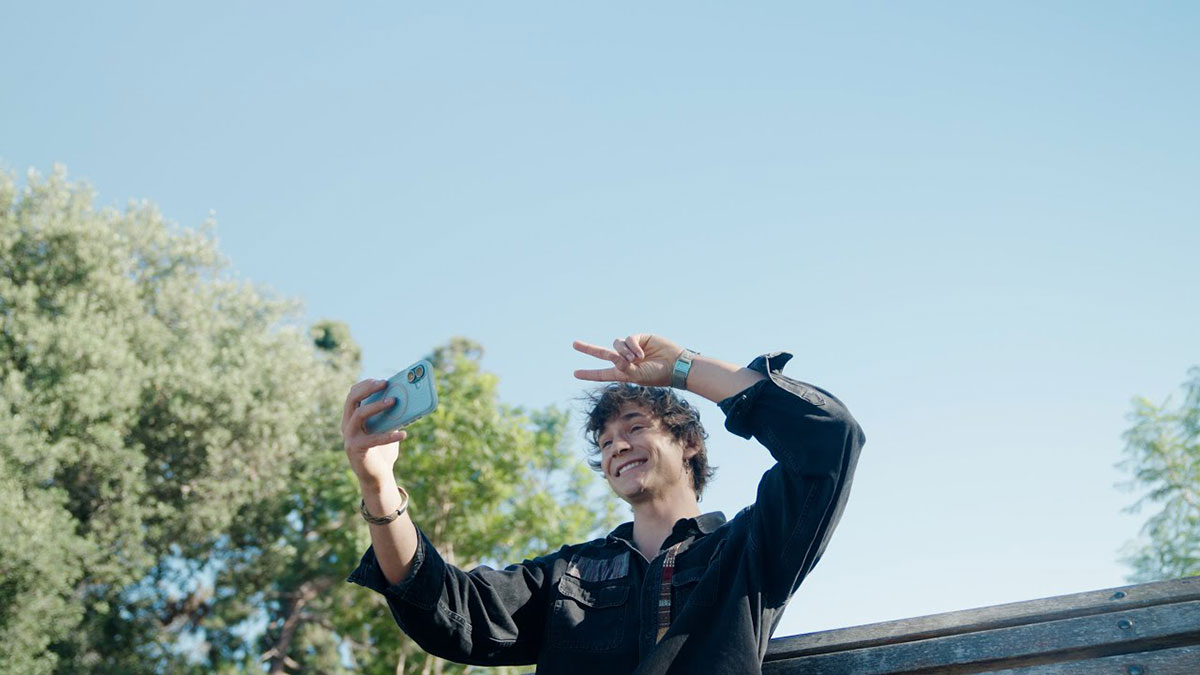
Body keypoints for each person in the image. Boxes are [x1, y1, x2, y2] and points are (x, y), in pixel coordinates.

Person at [344, 333, 865, 674]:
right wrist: (377, 485)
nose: (616, 444)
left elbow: (829, 440)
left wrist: (683, 368)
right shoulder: (568, 574)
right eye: (605, 440)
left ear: (690, 444)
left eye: (635, 427)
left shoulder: (751, 549)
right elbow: (448, 608)